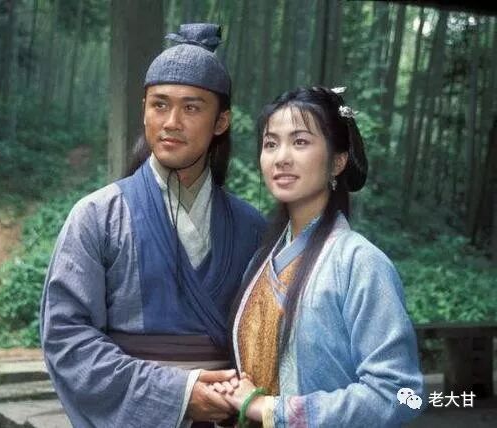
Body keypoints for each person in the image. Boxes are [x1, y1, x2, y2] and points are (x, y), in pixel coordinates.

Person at [40, 23, 266, 428]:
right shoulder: (98, 216)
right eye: (159, 105)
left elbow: (269, 341)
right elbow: (66, 337)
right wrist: (177, 395)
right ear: (144, 109)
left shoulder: (252, 228)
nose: (171, 122)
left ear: (221, 121)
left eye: (191, 108)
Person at [211, 87, 424, 427]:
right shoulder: (259, 262)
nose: (281, 157)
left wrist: (271, 409)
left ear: (338, 161)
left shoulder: (360, 263)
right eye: (271, 144)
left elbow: (401, 394)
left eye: (300, 142)